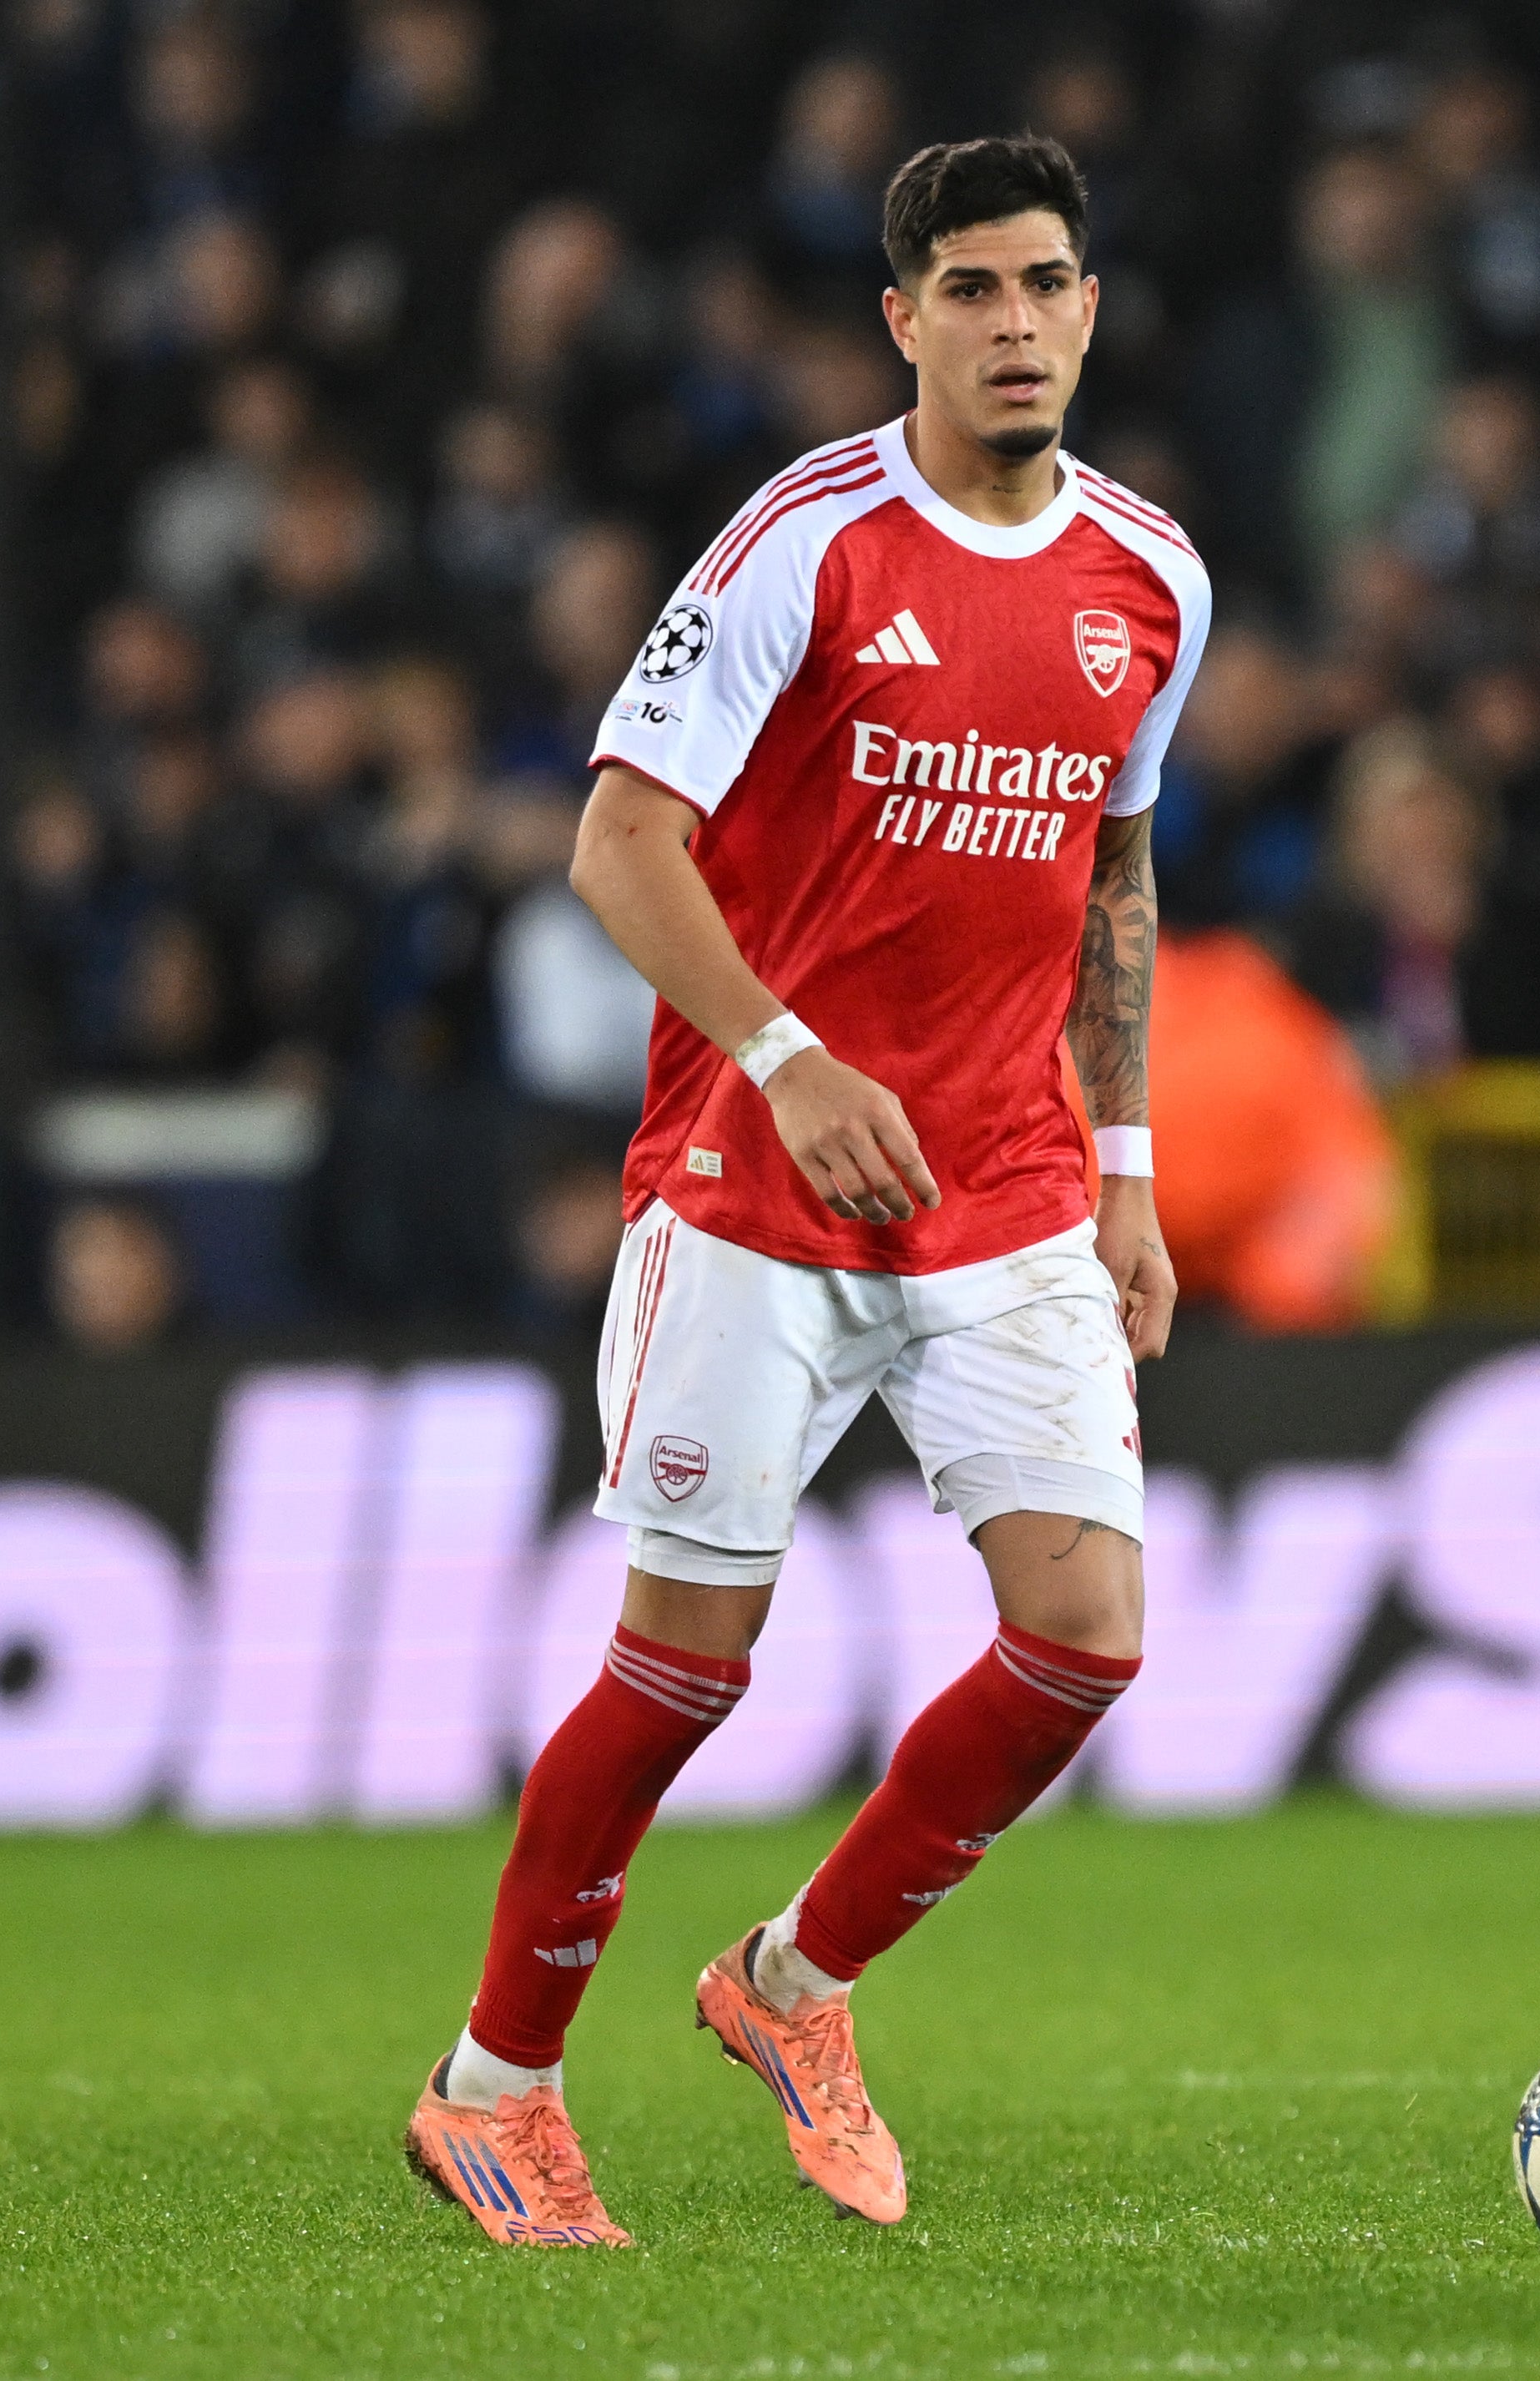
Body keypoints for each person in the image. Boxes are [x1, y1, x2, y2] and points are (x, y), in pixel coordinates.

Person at [404, 134, 1205, 2248]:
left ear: (1090, 307)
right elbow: (616, 843)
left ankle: (792, 1981)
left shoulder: (1154, 579)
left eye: (1046, 283)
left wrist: (1126, 1170)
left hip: (1006, 1184)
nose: (1015, 324)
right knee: (687, 1666)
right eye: (972, 290)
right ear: (902, 320)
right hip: (755, 1178)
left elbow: (1114, 874)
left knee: (1085, 1637)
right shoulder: (805, 546)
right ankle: (493, 2089)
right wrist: (785, 1053)